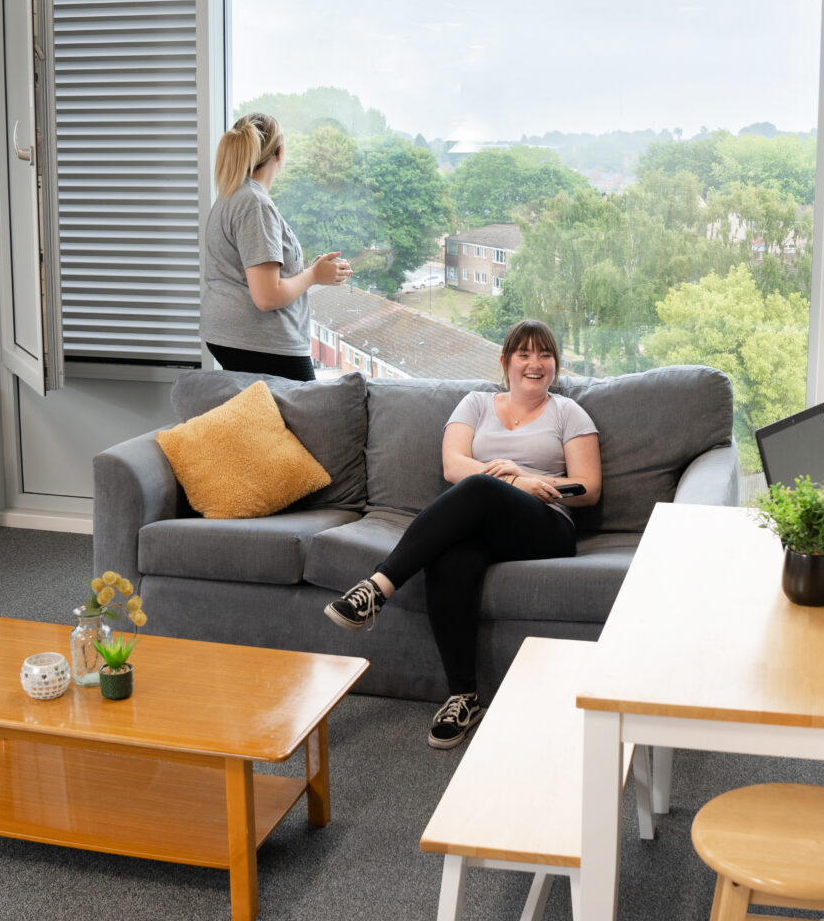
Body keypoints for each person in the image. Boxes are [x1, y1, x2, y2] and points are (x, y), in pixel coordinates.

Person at [322, 319, 602, 748]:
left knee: (480, 485)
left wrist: (525, 480)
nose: (535, 363)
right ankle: (463, 697)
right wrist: (510, 482)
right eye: (524, 354)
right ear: (505, 362)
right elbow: (454, 465)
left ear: (556, 365)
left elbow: (588, 487)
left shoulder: (568, 412)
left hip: (546, 526)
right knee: (449, 560)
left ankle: (378, 587)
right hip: (483, 526)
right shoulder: (475, 403)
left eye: (545, 355)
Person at [200, 112, 352, 380]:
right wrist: (314, 275)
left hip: (232, 338)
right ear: (280, 153)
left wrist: (309, 271)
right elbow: (268, 296)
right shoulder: (254, 203)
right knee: (311, 417)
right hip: (261, 343)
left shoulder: (230, 195)